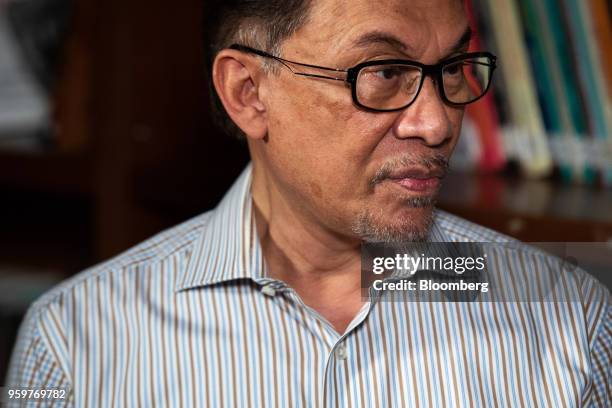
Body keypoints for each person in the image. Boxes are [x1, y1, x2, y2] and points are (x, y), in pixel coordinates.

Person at [7, 0, 610, 406]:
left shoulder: (570, 319)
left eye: (451, 67)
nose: (436, 122)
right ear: (248, 93)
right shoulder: (74, 341)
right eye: (382, 71)